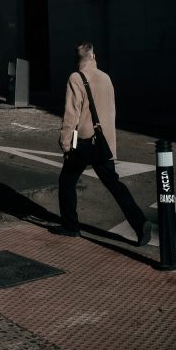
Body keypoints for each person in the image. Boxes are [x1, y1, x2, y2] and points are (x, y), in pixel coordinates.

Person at [53, 42, 151, 246]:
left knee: (67, 182)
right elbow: (110, 112)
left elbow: (72, 116)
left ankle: (71, 226)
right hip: (104, 143)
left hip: (84, 142)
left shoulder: (75, 78)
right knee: (114, 184)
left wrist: (66, 145)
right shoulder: (106, 78)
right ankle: (140, 223)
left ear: (78, 58)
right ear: (93, 56)